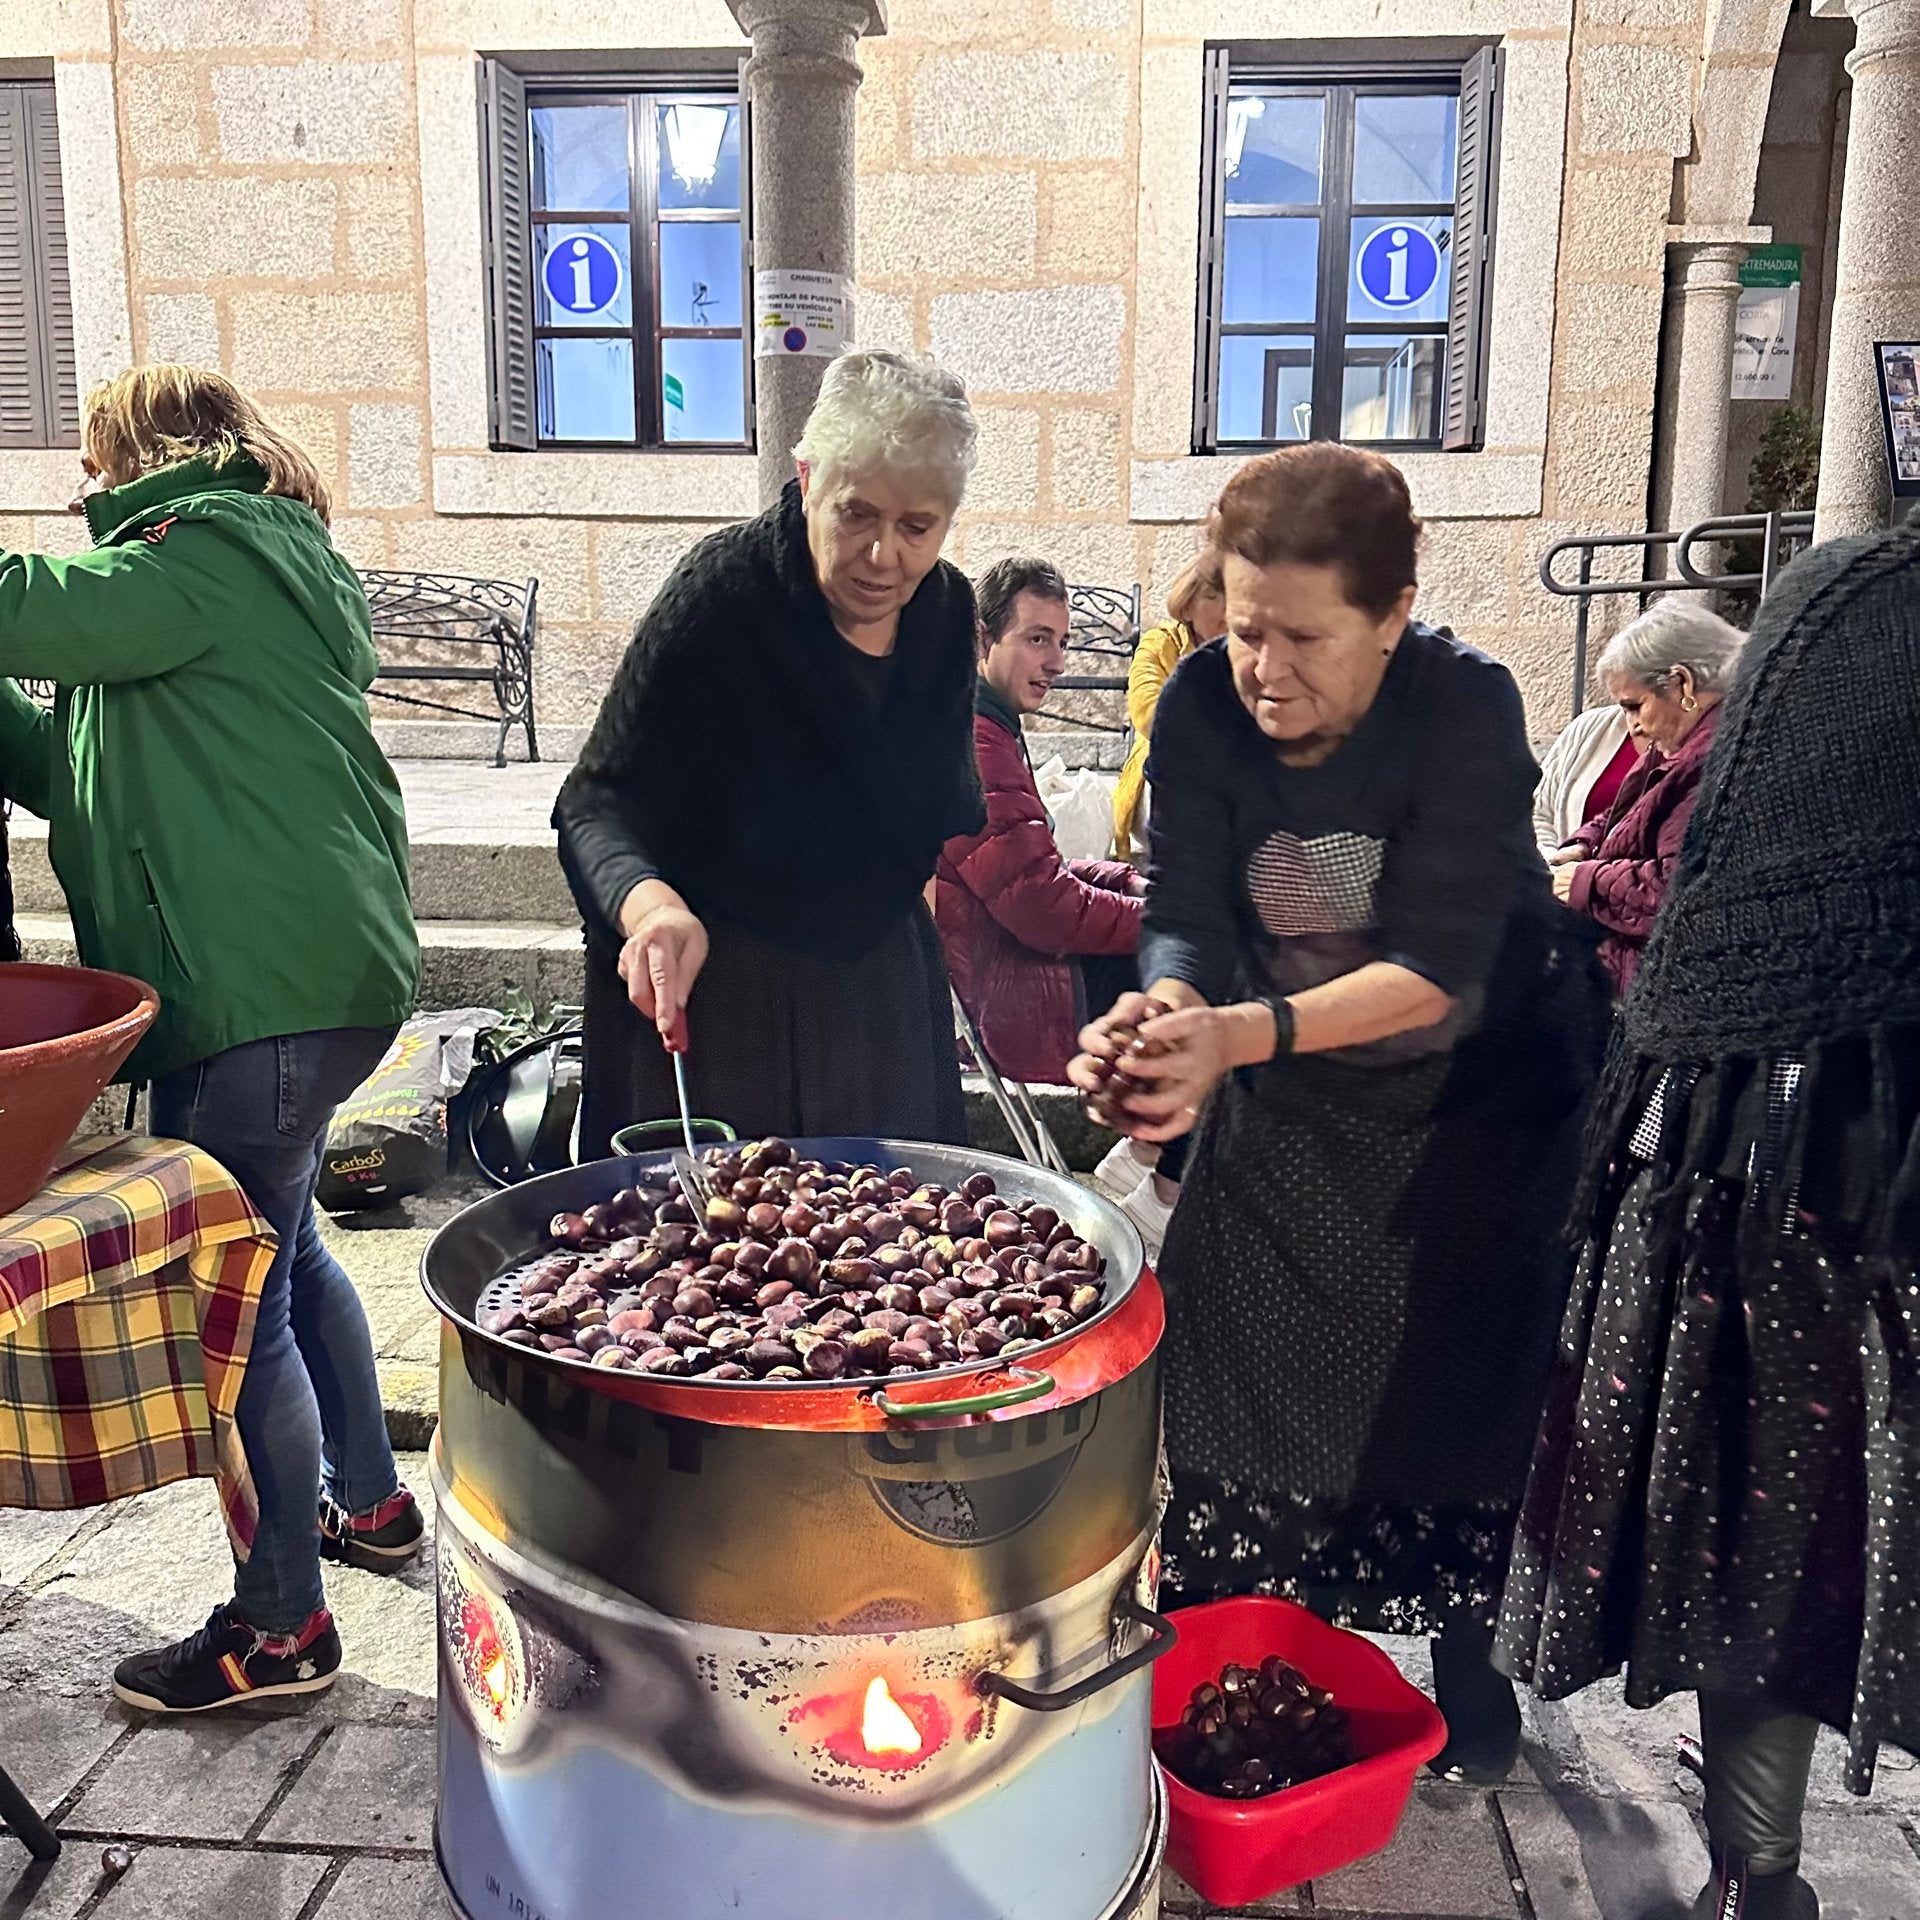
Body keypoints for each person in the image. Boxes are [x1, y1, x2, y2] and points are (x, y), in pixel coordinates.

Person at [1069, 444, 1607, 1784]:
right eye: (1248, 627)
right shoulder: (1202, 699)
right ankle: (1236, 1663)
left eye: (1305, 639)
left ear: (1394, 614)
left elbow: (1441, 968)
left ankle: (1471, 1684)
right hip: (1293, 1103)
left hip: (1480, 1112)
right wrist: (1168, 1012)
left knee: (1457, 1395)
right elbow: (1187, 904)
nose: (1266, 669)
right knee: (1238, 1379)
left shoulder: (1464, 703)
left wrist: (1235, 1034)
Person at [1496, 520, 1920, 1920]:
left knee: (1771, 1551)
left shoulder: (1844, 610)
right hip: (1793, 1195)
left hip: (1786, 1211)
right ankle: (1759, 1866)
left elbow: (1700, 950)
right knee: (1785, 1551)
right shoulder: (1850, 609)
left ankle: (1760, 1873)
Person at [0, 366, 423, 1712]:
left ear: (139, 456)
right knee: (282, 1251)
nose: (79, 487)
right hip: (307, 977)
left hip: (260, 991)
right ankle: (371, 1504)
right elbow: (74, 772)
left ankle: (280, 1628)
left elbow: (17, 605)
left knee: (232, 1312)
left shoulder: (203, 552)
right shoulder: (226, 574)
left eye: (92, 462)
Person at [555, 351, 986, 1152]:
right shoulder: (723, 592)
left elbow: (928, 826)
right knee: (723, 1221)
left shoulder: (947, 611)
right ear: (807, 477)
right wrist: (653, 911)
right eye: (856, 514)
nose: (884, 556)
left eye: (917, 527)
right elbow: (594, 804)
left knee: (891, 1220)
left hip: (873, 996)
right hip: (719, 989)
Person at [933, 555, 1143, 1087]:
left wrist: (1127, 882)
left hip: (1016, 984)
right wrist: (1164, 920)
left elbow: (1030, 870)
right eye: (1037, 639)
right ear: (983, 640)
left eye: (1062, 642)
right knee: (1203, 967)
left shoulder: (986, 727)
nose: (1057, 662)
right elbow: (1041, 910)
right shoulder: (976, 744)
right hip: (1013, 1007)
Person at [1547, 602, 1743, 994]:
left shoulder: (1715, 759)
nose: (1632, 725)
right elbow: (1630, 812)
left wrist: (1585, 881)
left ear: (1683, 684)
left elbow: (1677, 889)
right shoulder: (1678, 743)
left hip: (1663, 986)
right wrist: (1583, 845)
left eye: (1635, 706)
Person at [1111, 556, 1228, 860]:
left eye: (1235, 594)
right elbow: (1149, 712)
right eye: (1214, 596)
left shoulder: (1253, 649)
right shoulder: (1161, 643)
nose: (1228, 607)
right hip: (1166, 770)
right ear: (1186, 607)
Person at [1532, 700, 1635, 857]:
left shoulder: (1672, 761)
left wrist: (1583, 871)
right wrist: (1551, 862)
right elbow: (1536, 812)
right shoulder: (1589, 727)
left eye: (1637, 706)